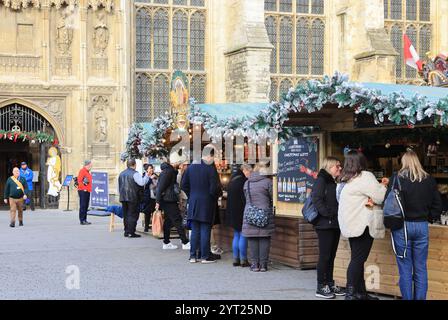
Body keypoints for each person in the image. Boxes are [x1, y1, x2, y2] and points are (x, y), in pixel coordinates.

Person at [386, 150, 442, 300]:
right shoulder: (429, 179)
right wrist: (429, 217)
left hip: (402, 227)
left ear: (403, 162)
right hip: (422, 226)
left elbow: (388, 202)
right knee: (421, 268)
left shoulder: (397, 178)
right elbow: (438, 205)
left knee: (405, 269)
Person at [337, 150, 388, 300]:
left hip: (351, 224)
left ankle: (360, 292)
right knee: (358, 260)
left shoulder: (346, 179)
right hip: (362, 225)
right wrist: (384, 186)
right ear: (362, 162)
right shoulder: (365, 176)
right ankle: (351, 293)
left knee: (357, 259)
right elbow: (379, 197)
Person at [312, 157, 344, 299]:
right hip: (325, 224)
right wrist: (328, 214)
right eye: (337, 166)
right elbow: (317, 199)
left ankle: (329, 283)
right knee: (325, 256)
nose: (340, 168)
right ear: (330, 167)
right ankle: (320, 286)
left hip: (334, 223)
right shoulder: (322, 180)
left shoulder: (332, 181)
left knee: (331, 256)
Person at [181, 149, 219, 263]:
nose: (213, 160)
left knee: (195, 229)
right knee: (205, 228)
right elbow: (214, 188)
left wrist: (191, 195)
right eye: (213, 157)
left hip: (193, 202)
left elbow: (183, 184)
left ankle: (193, 256)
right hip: (207, 202)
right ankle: (205, 256)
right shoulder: (210, 168)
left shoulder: (191, 167)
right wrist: (214, 197)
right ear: (209, 156)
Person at [242, 163, 274, 272]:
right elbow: (272, 197)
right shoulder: (268, 182)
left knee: (252, 238)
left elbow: (246, 197)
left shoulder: (247, 183)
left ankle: (255, 264)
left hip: (250, 213)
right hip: (264, 213)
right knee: (264, 238)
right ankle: (264, 265)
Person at [155, 156, 190, 250]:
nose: (181, 165)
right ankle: (185, 242)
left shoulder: (170, 171)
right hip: (168, 200)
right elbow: (160, 187)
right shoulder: (168, 172)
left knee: (169, 221)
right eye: (180, 163)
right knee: (177, 219)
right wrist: (157, 202)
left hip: (168, 199)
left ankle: (166, 242)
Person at [119, 159, 150, 238]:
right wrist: (147, 176)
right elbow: (141, 182)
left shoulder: (121, 174)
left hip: (123, 197)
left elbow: (119, 186)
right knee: (133, 215)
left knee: (126, 215)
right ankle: (131, 232)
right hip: (133, 197)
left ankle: (126, 231)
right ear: (134, 165)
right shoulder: (135, 174)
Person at [226, 164, 249, 267]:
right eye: (249, 171)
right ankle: (243, 259)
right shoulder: (244, 182)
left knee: (236, 235)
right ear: (244, 170)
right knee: (243, 234)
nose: (250, 174)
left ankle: (236, 259)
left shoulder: (232, 181)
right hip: (242, 211)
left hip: (232, 211)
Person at [141, 164, 158, 233]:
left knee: (154, 212)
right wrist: (150, 178)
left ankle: (155, 227)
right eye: (150, 168)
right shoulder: (144, 176)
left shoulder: (155, 176)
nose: (152, 170)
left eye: (152, 168)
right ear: (146, 169)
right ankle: (146, 227)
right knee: (147, 212)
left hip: (155, 196)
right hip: (147, 196)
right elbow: (144, 185)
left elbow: (158, 184)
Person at [77, 160, 93, 225]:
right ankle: (82, 220)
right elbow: (79, 181)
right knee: (83, 205)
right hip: (83, 191)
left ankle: (85, 219)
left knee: (86, 206)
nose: (91, 166)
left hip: (87, 191)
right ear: (87, 165)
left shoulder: (87, 172)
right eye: (90, 165)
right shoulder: (82, 171)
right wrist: (84, 189)